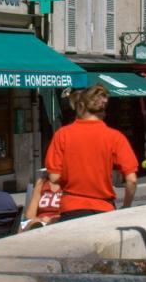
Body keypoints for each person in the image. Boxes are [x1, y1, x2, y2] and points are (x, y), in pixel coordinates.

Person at [44, 83, 138, 220]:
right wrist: (126, 206)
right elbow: (132, 180)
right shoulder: (115, 137)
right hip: (104, 208)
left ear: (81, 106)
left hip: (71, 208)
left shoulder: (62, 135)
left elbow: (53, 177)